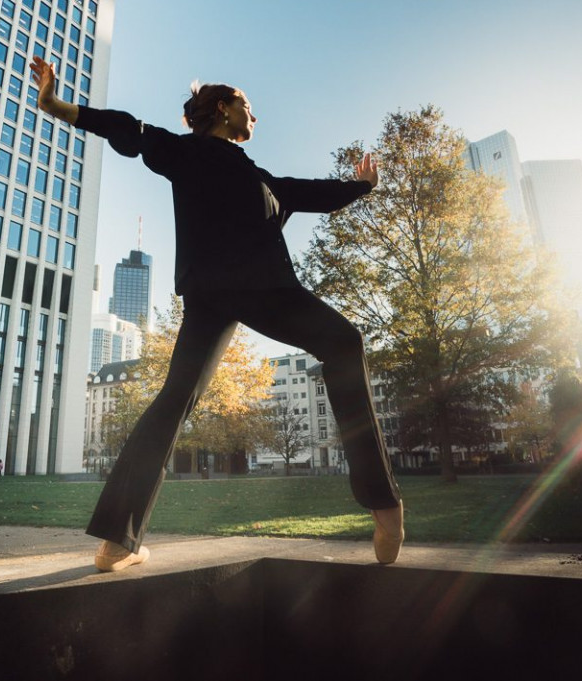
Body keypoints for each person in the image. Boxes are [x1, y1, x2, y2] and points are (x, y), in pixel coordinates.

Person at [28, 57, 404, 572]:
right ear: (223, 109)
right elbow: (129, 129)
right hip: (246, 290)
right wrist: (57, 107)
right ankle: (118, 540)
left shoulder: (262, 177)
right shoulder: (186, 153)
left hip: (227, 293)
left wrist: (362, 187)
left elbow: (313, 192)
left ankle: (382, 506)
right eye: (248, 107)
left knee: (334, 347)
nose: (255, 117)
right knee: (329, 347)